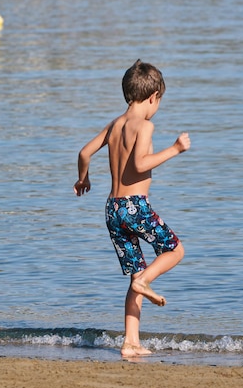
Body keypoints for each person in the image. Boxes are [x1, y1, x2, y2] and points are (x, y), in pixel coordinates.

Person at [74, 59, 190, 357]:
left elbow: (84, 152)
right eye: (159, 101)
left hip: (112, 209)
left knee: (135, 273)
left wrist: (83, 179)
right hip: (134, 206)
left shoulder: (115, 124)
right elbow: (140, 164)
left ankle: (131, 342)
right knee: (175, 250)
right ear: (153, 97)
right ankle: (145, 282)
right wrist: (174, 150)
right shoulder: (145, 126)